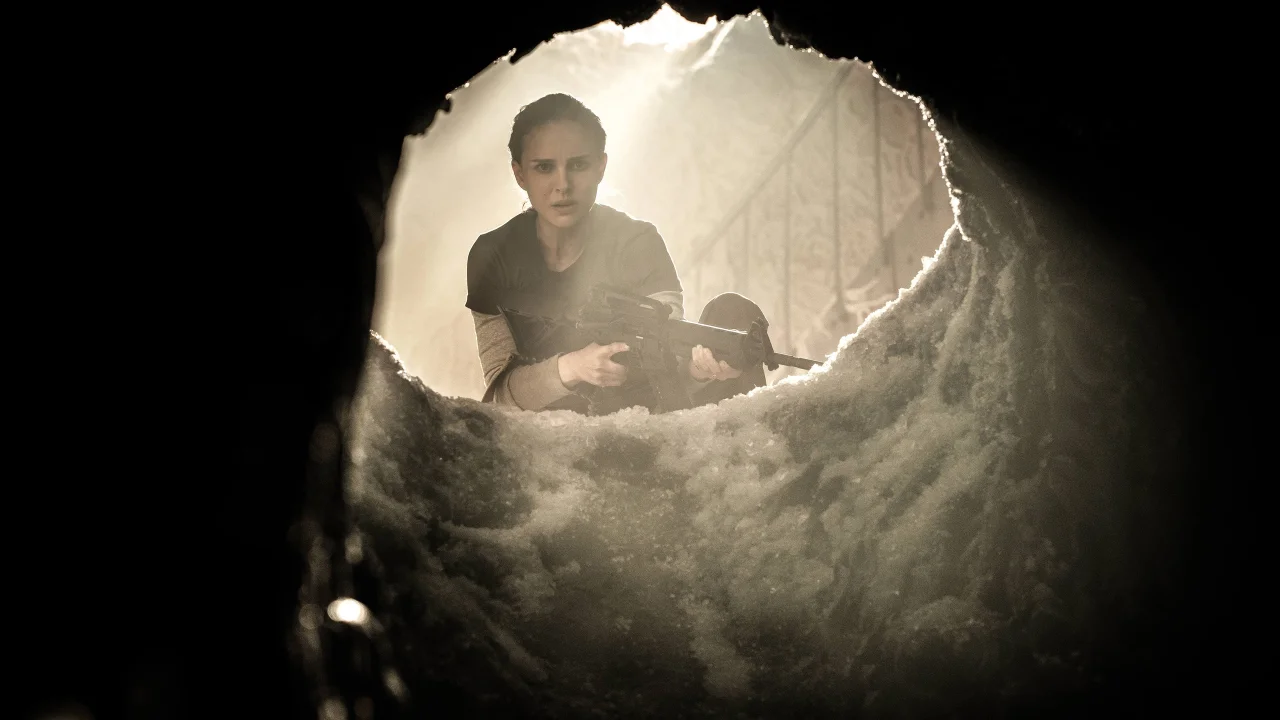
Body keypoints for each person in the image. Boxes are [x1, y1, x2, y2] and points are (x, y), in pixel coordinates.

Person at [465, 93, 775, 414]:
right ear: (520, 174)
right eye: (544, 167)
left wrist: (701, 371)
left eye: (578, 165)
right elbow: (499, 401)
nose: (563, 185)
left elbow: (668, 366)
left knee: (735, 313)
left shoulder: (638, 241)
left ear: (601, 167)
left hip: (648, 417)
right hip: (549, 434)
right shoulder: (492, 257)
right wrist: (572, 368)